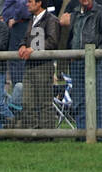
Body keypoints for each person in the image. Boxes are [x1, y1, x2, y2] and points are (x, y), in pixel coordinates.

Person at [61, 0, 102, 129]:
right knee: (79, 100)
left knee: (98, 99)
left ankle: (100, 132)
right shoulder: (74, 13)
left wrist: (95, 54)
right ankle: (82, 132)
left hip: (95, 62)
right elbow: (71, 37)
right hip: (76, 62)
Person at [19, 0, 60, 128]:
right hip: (29, 66)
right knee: (27, 102)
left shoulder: (51, 19)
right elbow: (26, 38)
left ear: (39, 3)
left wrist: (34, 48)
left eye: (30, 1)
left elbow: (52, 41)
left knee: (44, 103)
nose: (27, 4)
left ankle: (47, 133)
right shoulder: (32, 19)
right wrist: (22, 46)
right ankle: (32, 133)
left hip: (44, 66)